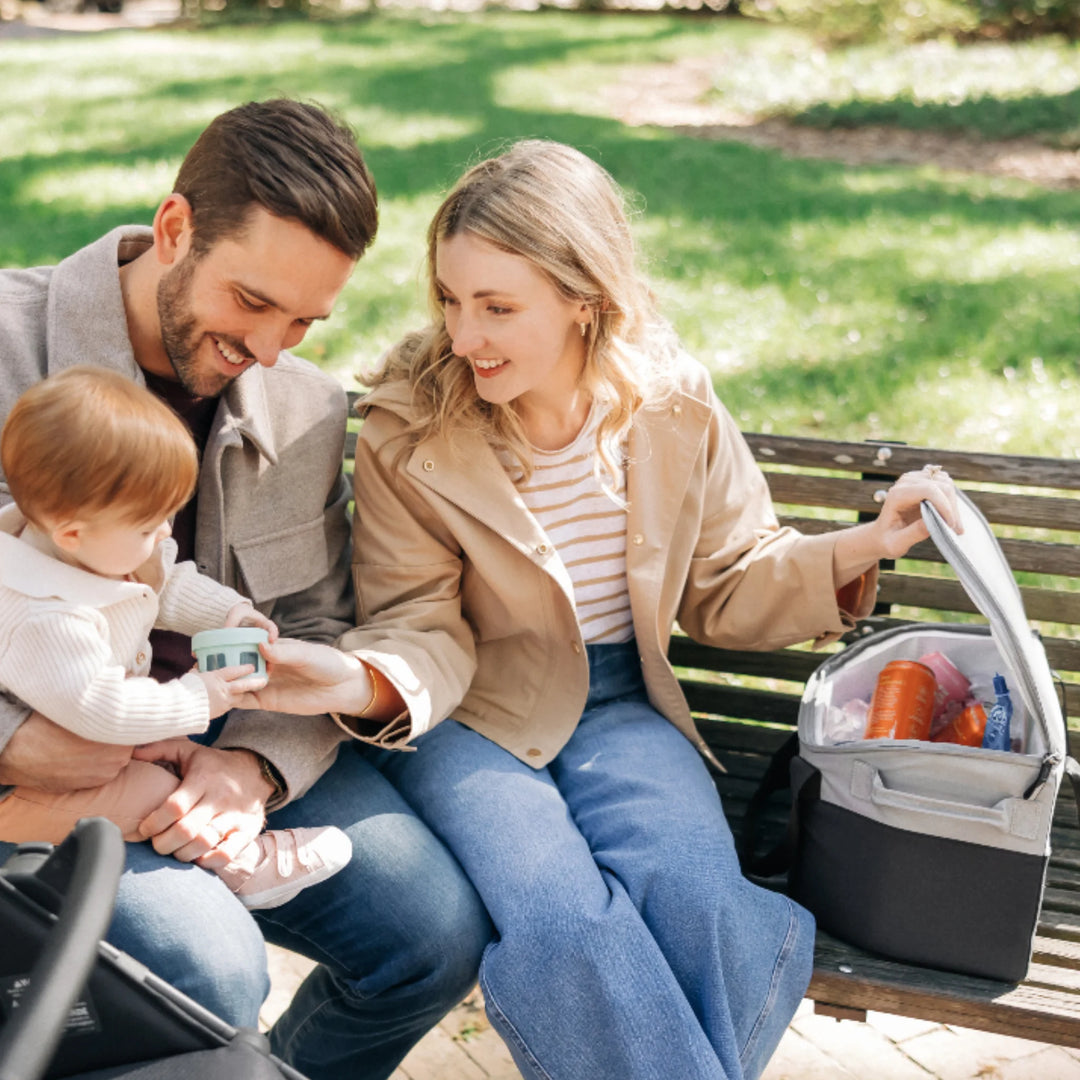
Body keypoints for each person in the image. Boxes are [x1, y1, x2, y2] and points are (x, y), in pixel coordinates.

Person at [245, 139, 961, 1080]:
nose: (466, 337)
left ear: (587, 298)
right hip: (471, 719)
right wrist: (361, 679)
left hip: (621, 705)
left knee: (699, 897)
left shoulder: (673, 406)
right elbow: (420, 622)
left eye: (499, 308)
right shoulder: (409, 427)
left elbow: (728, 581)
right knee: (562, 919)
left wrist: (865, 542)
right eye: (453, 301)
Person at [0, 99, 489, 1080]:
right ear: (174, 229)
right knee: (210, 975)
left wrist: (253, 773)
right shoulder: (7, 345)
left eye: (306, 320)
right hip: (39, 770)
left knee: (428, 936)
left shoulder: (302, 405)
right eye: (253, 303)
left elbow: (313, 622)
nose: (272, 349)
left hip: (212, 734)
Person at [0, 366, 354, 910]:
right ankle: (243, 865)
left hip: (90, 733)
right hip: (27, 785)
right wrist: (199, 697)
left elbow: (169, 581)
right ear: (70, 532)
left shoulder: (100, 545)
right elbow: (99, 706)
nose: (164, 533)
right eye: (149, 525)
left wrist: (229, 613)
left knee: (169, 753)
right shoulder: (46, 617)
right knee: (151, 792)